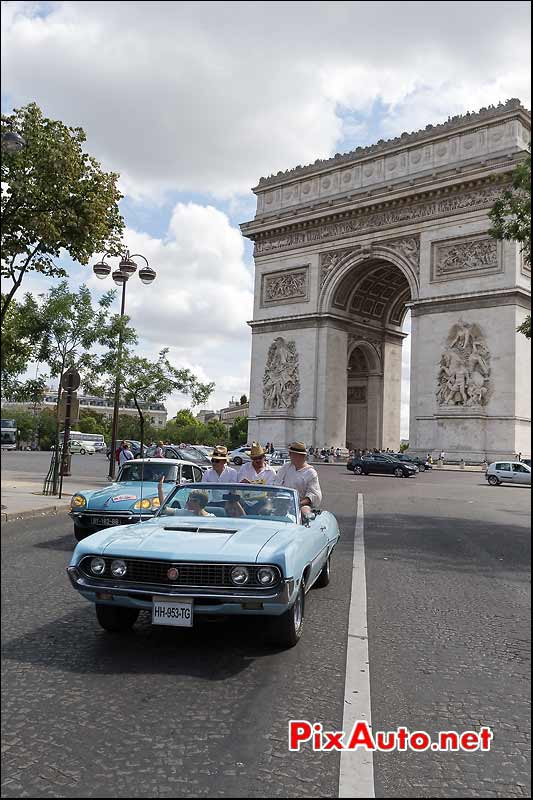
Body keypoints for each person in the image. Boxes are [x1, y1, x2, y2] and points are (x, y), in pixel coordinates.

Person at [274, 441, 322, 515]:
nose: (289, 455)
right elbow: (276, 483)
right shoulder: (286, 467)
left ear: (300, 456)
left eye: (291, 454)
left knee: (305, 512)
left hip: (300, 504)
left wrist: (296, 504)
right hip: (281, 502)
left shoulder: (310, 473)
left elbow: (314, 495)